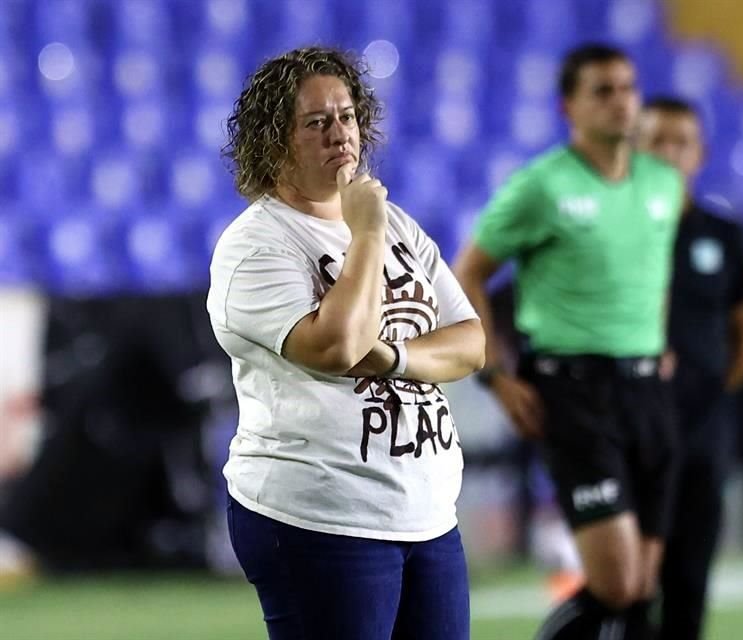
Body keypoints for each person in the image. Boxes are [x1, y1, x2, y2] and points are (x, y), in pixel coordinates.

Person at [207, 46, 484, 640]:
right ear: (273, 141)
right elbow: (335, 347)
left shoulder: (395, 222)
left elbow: (469, 343)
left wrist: (395, 358)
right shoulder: (256, 247)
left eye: (348, 116)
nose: (340, 134)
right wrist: (363, 234)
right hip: (320, 513)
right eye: (316, 122)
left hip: (426, 514)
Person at [454, 44, 684, 639]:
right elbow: (468, 274)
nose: (620, 101)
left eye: (627, 88)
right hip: (575, 393)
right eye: (602, 91)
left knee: (639, 590)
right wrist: (496, 375)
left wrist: (655, 338)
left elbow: (649, 271)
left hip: (648, 392)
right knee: (615, 581)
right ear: (569, 107)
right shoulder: (542, 186)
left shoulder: (663, 184)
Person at [636, 97, 743, 640]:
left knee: (689, 582)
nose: (669, 152)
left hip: (702, 432)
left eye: (681, 141)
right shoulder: (614, 232)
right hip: (631, 428)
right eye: (657, 140)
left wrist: (702, 396)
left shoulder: (727, 236)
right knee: (628, 584)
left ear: (701, 153)